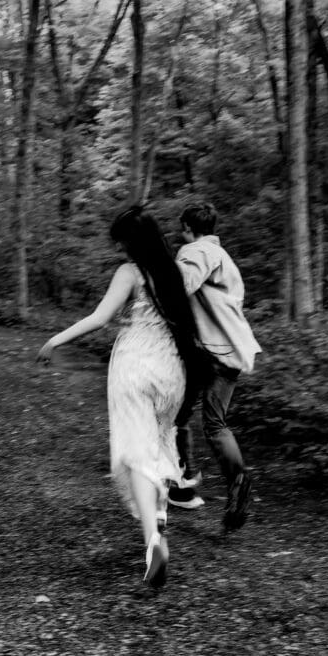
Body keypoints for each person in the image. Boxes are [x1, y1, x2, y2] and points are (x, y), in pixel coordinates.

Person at [37, 206, 210, 588]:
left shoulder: (129, 273)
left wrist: (56, 340)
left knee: (135, 454)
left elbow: (100, 318)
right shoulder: (177, 273)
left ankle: (153, 542)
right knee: (159, 442)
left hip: (134, 367)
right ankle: (159, 513)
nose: (120, 249)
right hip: (172, 372)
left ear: (131, 243)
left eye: (121, 242)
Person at [170, 201, 261, 531]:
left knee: (177, 416)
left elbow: (180, 286)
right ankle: (234, 481)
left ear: (187, 227)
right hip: (232, 351)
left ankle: (184, 482)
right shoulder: (224, 258)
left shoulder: (196, 251)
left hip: (210, 352)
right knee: (213, 423)